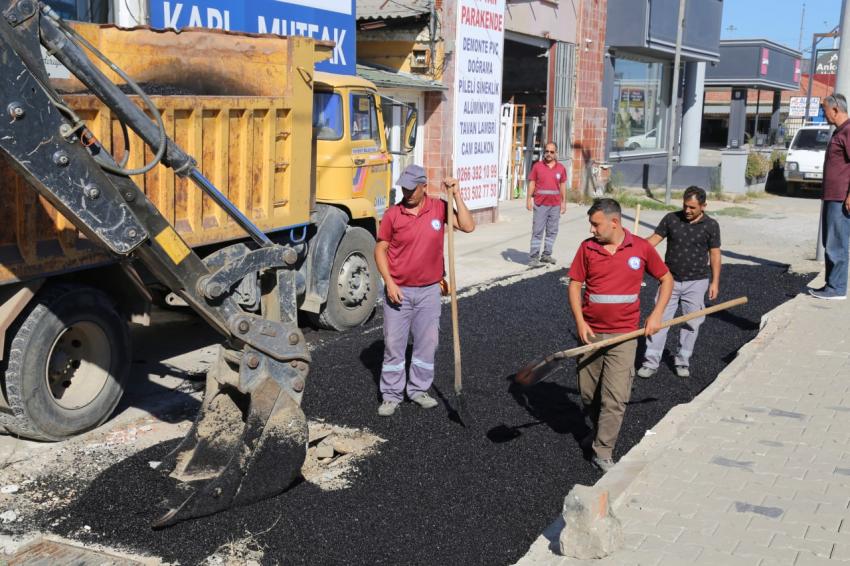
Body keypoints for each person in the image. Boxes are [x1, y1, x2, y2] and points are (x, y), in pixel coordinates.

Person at [567, 198, 673, 473]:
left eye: (595, 224)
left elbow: (666, 279)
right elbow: (575, 283)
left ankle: (603, 450)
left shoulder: (641, 248)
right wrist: (580, 322)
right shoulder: (587, 248)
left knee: (615, 397)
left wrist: (656, 314)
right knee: (589, 394)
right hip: (591, 335)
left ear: (614, 222)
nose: (592, 230)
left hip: (625, 336)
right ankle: (598, 430)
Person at [374, 164, 475, 417]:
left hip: (430, 290)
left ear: (423, 186)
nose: (406, 193)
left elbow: (468, 226)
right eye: (403, 188)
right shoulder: (392, 215)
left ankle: (418, 389)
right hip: (399, 291)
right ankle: (391, 395)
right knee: (394, 344)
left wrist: (457, 195)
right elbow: (380, 250)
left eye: (411, 188)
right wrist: (390, 282)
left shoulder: (439, 207)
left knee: (427, 343)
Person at [636, 186, 721, 379]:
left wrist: (715, 282)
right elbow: (653, 240)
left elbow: (715, 254)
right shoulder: (671, 219)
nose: (687, 211)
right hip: (669, 281)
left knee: (692, 323)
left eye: (692, 207)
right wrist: (633, 247)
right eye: (685, 206)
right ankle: (651, 361)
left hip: (697, 282)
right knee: (659, 320)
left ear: (703, 206)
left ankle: (682, 361)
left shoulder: (711, 226)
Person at [811, 93, 850, 300]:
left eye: (824, 109)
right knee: (830, 241)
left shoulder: (848, 131)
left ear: (835, 110)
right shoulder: (839, 132)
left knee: (838, 242)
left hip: (840, 197)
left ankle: (838, 289)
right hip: (831, 196)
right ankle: (831, 285)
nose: (822, 113)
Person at [527, 142, 568, 267]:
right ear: (544, 152)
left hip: (555, 205)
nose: (549, 154)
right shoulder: (537, 167)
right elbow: (532, 183)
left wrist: (564, 202)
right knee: (537, 231)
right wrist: (528, 199)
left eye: (552, 152)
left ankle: (546, 255)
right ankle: (534, 257)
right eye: (547, 151)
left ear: (556, 153)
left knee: (552, 231)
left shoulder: (561, 168)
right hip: (540, 204)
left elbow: (562, 186)